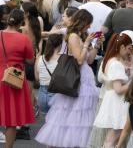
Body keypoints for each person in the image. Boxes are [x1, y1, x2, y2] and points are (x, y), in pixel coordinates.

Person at [36, 10, 101, 148]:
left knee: (78, 117)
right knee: (69, 116)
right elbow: (79, 59)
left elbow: (89, 60)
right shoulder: (73, 36)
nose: (89, 27)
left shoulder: (79, 36)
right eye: (88, 24)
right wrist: (86, 43)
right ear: (82, 22)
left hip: (84, 78)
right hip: (76, 78)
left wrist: (95, 45)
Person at [93, 33, 133, 147]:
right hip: (117, 102)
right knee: (112, 139)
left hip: (113, 100)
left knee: (113, 138)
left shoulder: (110, 60)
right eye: (129, 48)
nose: (129, 52)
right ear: (122, 47)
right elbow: (118, 89)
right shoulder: (116, 63)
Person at [0, 10, 35, 148]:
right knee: (11, 119)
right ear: (21, 23)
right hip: (14, 78)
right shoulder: (23, 39)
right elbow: (30, 61)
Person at [34, 33, 63, 118]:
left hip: (42, 95)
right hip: (56, 94)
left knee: (46, 124)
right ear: (60, 44)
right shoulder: (63, 58)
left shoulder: (40, 58)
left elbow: (37, 78)